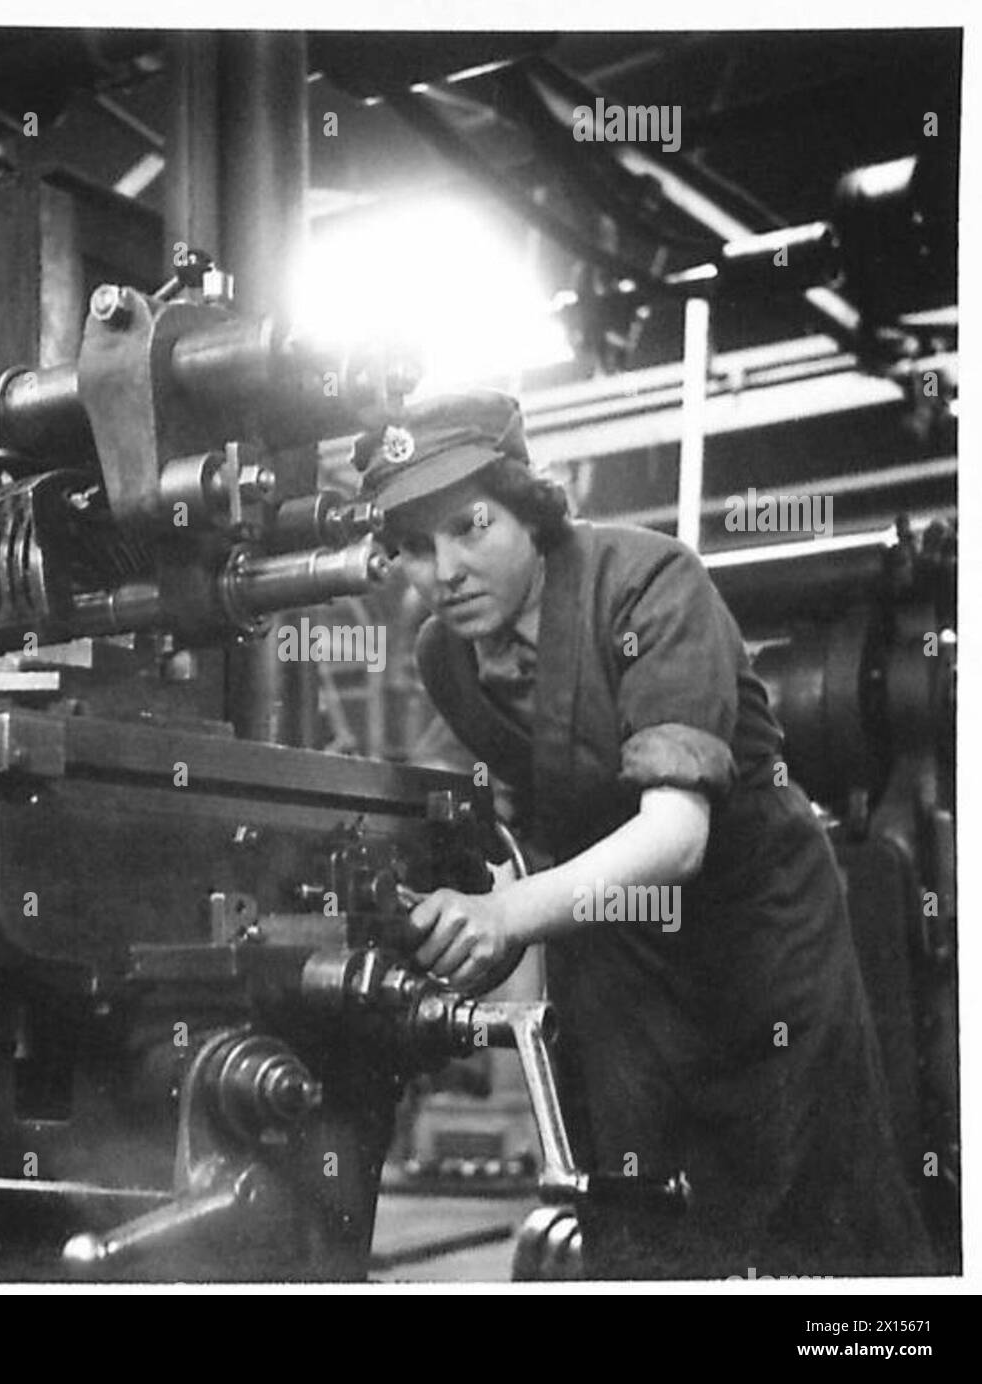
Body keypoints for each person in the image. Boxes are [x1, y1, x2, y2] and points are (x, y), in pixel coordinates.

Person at [353, 390, 934, 1279]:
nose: (447, 571)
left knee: (800, 1211)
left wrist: (511, 916)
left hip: (755, 937)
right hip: (618, 955)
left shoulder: (650, 583)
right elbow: (542, 800)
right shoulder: (445, 657)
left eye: (472, 526)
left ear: (532, 508)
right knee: (637, 1212)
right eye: (416, 549)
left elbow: (674, 837)